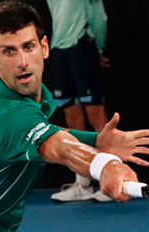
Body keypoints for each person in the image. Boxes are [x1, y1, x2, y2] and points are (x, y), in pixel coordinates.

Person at [0, 1, 149, 232]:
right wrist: (107, 165)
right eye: (9, 51)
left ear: (44, 47)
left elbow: (47, 134)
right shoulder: (10, 115)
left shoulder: (4, 94)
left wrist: (95, 142)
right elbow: (59, 148)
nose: (22, 61)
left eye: (28, 47)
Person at [46, 0, 111, 202]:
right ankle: (83, 184)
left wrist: (98, 49)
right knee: (72, 116)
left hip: (82, 47)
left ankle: (110, 182)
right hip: (59, 50)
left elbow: (99, 18)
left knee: (96, 115)